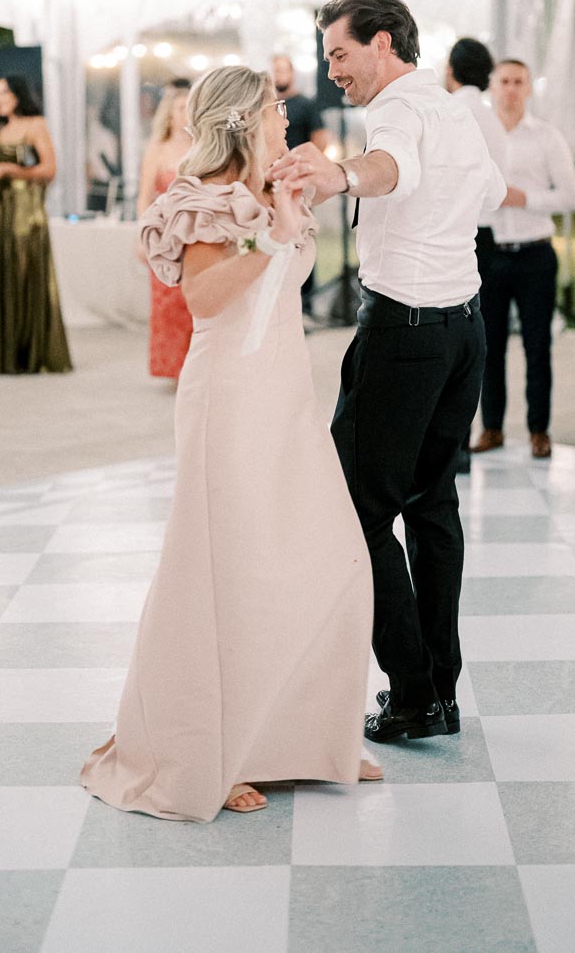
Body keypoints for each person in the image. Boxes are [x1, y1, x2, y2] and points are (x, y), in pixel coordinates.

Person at [81, 66, 378, 821]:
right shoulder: (198, 201)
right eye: (275, 110)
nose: (286, 119)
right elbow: (205, 298)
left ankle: (303, 736)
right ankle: (213, 752)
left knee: (321, 556)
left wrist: (283, 209)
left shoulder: (270, 188)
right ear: (243, 121)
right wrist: (269, 236)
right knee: (229, 572)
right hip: (229, 398)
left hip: (284, 396)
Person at [271, 0, 506, 745]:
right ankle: (439, 687)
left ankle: (410, 693)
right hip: (462, 330)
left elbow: (388, 167)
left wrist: (340, 176)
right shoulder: (454, 109)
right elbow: (492, 193)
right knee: (432, 506)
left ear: (382, 43)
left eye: (340, 53)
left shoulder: (399, 110)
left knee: (356, 510)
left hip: (404, 335)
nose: (333, 70)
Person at [471, 59, 575, 460]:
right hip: (489, 251)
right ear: (492, 87)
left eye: (519, 82)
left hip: (535, 252)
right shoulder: (477, 136)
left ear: (529, 88)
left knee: (538, 346)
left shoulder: (547, 138)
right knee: (489, 346)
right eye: (505, 82)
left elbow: (571, 197)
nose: (512, 89)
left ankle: (540, 430)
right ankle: (492, 428)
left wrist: (526, 199)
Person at [0, 77, 72, 375]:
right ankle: (9, 354)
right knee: (1, 274)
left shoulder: (35, 125)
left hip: (27, 213)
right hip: (1, 213)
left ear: (18, 94)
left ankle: (31, 353)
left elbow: (49, 169)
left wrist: (10, 170)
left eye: (4, 92)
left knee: (24, 274)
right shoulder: (2, 130)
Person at [445, 36, 508, 471]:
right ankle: (462, 442)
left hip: (459, 232)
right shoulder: (490, 115)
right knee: (476, 337)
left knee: (450, 335)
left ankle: (455, 445)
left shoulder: (452, 111)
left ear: (451, 69)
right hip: (488, 231)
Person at [136, 83, 193, 381]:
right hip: (164, 236)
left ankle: (194, 366)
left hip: (195, 234)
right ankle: (173, 369)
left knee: (193, 300)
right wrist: (142, 238)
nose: (186, 114)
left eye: (189, 108)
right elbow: (144, 196)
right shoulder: (156, 148)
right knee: (167, 303)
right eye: (181, 108)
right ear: (169, 115)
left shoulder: (202, 146)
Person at [271, 54, 330, 318]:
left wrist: (302, 168)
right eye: (275, 70)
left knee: (302, 236)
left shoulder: (306, 106)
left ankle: (306, 301)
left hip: (298, 183)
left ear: (291, 73)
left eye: (283, 70)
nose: (279, 75)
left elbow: (321, 141)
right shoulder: (267, 106)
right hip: (271, 183)